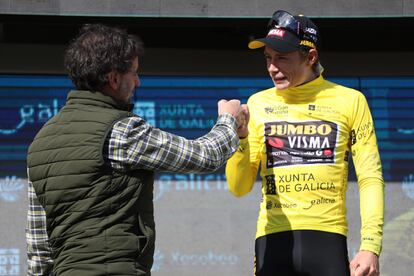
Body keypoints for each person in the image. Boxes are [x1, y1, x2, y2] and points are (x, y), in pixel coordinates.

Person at [26, 23, 246, 276]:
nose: (138, 81)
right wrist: (228, 119)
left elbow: (39, 248)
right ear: (113, 77)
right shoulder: (121, 131)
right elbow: (204, 156)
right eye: (134, 72)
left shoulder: (40, 141)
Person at [225, 10, 384, 276]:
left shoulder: (350, 101)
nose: (273, 68)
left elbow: (369, 177)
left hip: (327, 238)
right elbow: (239, 187)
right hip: (272, 240)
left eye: (282, 58)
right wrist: (240, 139)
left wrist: (371, 245)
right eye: (268, 58)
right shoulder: (257, 103)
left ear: (311, 57)